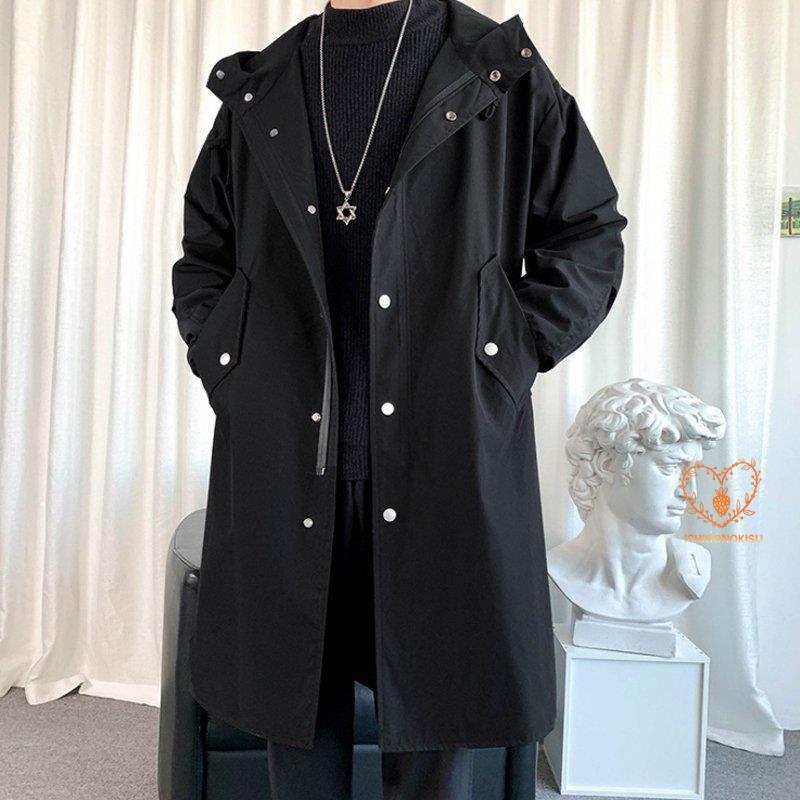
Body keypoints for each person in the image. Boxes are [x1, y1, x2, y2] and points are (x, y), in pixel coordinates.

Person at [171, 0, 627, 798]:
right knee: (295, 718)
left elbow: (587, 233)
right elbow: (206, 250)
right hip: (289, 453)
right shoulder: (266, 86)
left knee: (438, 717)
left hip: (443, 449)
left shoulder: (495, 70)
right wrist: (230, 362)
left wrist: (507, 348)